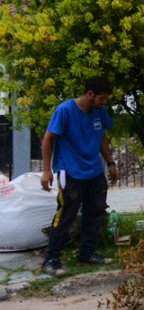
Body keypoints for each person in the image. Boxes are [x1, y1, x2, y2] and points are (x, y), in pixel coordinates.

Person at [39, 76, 119, 277]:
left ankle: (87, 253)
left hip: (94, 170)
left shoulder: (99, 111)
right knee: (66, 214)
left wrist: (110, 163)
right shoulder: (64, 110)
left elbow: (101, 136)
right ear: (90, 94)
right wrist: (47, 170)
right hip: (70, 171)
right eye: (102, 98)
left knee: (95, 211)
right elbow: (48, 139)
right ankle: (51, 260)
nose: (104, 103)